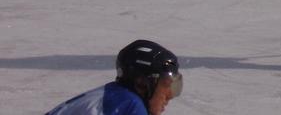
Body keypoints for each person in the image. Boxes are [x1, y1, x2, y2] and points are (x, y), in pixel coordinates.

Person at [45, 40, 183, 115]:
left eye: (175, 86)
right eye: (166, 86)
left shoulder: (115, 96)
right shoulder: (129, 104)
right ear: (142, 83)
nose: (169, 96)